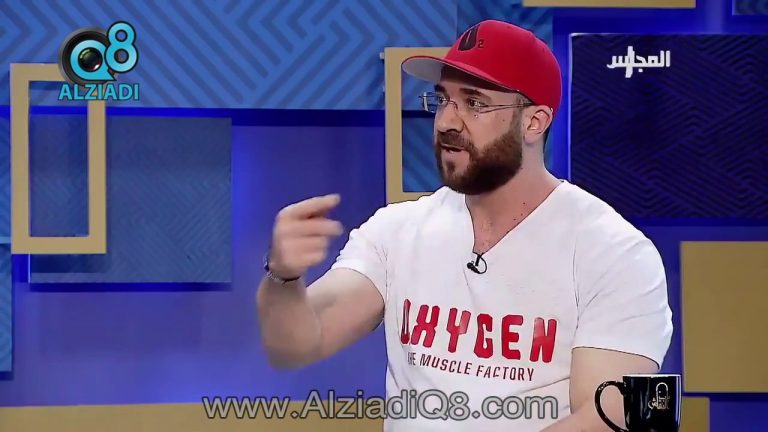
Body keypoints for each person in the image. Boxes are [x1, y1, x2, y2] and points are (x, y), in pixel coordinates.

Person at [256, 19, 673, 431]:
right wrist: (283, 276)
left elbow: (613, 417)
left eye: (474, 103)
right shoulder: (396, 230)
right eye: (443, 100)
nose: (446, 122)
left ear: (534, 122)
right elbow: (293, 346)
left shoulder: (614, 252)